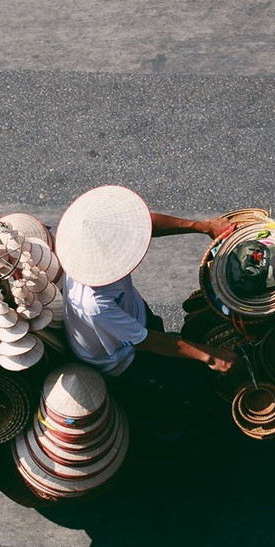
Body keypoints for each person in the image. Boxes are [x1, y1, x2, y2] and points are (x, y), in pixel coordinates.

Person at [53, 185, 239, 436]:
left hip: (132, 315)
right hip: (120, 356)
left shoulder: (86, 245)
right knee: (184, 383)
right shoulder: (94, 305)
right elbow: (149, 342)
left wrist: (203, 226)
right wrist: (212, 357)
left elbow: (145, 225)